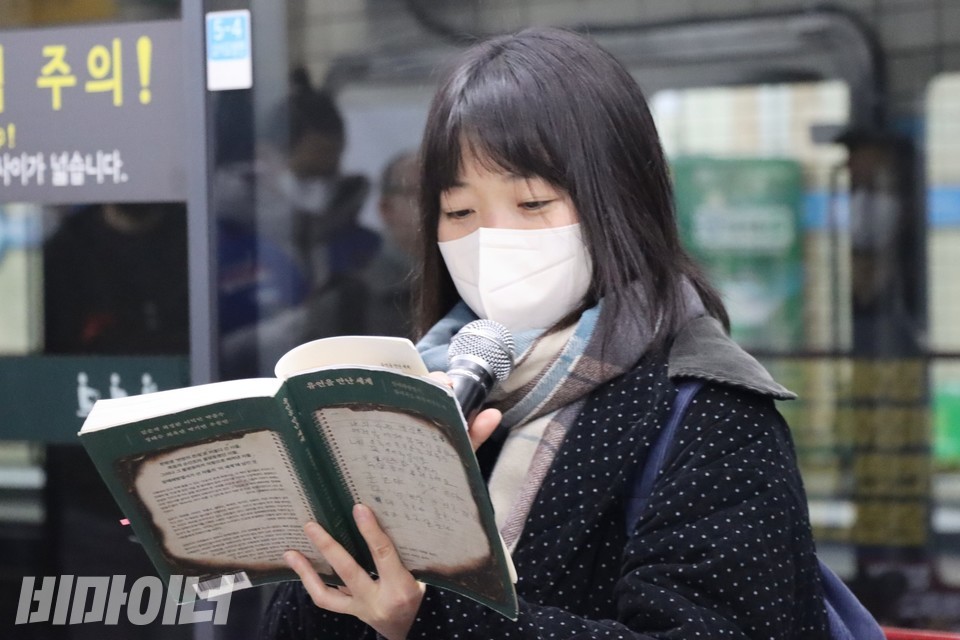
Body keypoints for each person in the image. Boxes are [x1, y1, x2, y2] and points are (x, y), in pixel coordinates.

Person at [260, 27, 830, 639]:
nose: (493, 237)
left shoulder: (712, 413)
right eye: (459, 212)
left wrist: (430, 616)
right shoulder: (429, 391)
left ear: (620, 200)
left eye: (531, 203)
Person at [357, 150, 421, 338]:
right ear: (386, 208)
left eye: (445, 191)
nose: (436, 203)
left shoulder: (473, 294)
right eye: (418, 192)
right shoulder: (350, 301)